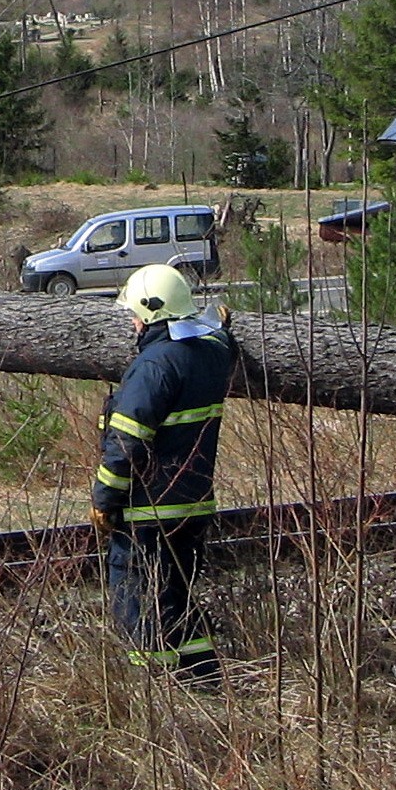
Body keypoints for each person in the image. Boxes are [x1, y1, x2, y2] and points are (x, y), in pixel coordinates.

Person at [91, 264, 236, 686]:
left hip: (148, 514)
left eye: (135, 313)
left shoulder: (154, 366)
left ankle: (156, 689)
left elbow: (126, 444)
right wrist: (220, 325)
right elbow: (220, 338)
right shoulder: (214, 354)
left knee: (139, 608)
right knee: (176, 601)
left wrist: (104, 500)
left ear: (151, 311)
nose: (132, 322)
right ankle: (205, 682)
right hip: (193, 506)